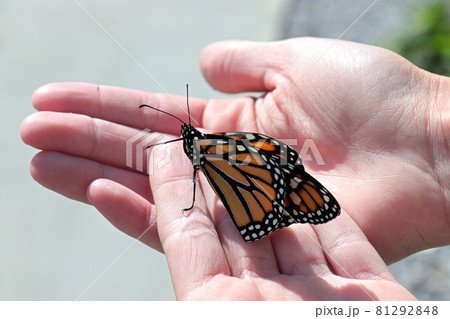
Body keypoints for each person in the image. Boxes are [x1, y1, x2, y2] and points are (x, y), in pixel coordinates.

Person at [20, 38, 449, 300]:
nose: (188, 142)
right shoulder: (211, 146)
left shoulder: (216, 147)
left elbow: (259, 161)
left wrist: (430, 130)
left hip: (259, 202)